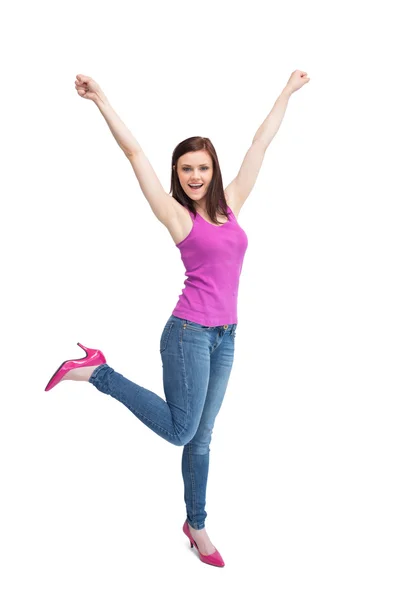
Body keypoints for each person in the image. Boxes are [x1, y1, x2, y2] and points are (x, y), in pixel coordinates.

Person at [44, 70, 310, 567]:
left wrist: (287, 91)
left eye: (202, 168)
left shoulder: (231, 207)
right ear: (177, 172)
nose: (194, 176)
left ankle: (197, 524)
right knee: (182, 432)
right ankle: (99, 372)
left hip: (226, 337)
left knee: (203, 437)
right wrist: (101, 97)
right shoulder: (175, 215)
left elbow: (259, 145)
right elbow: (135, 155)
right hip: (187, 334)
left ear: (213, 170)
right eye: (186, 168)